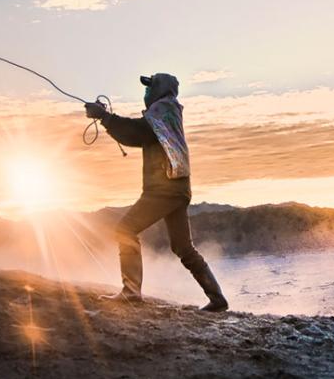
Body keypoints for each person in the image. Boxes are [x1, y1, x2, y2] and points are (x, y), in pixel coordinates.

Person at [85, 73, 228, 311]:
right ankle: (217, 299)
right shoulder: (169, 110)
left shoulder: (163, 108)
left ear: (160, 88)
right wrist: (107, 118)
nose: (146, 93)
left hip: (164, 188)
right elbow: (141, 134)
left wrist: (105, 117)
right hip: (178, 188)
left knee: (125, 229)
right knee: (183, 248)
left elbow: (139, 133)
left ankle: (131, 292)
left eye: (149, 87)